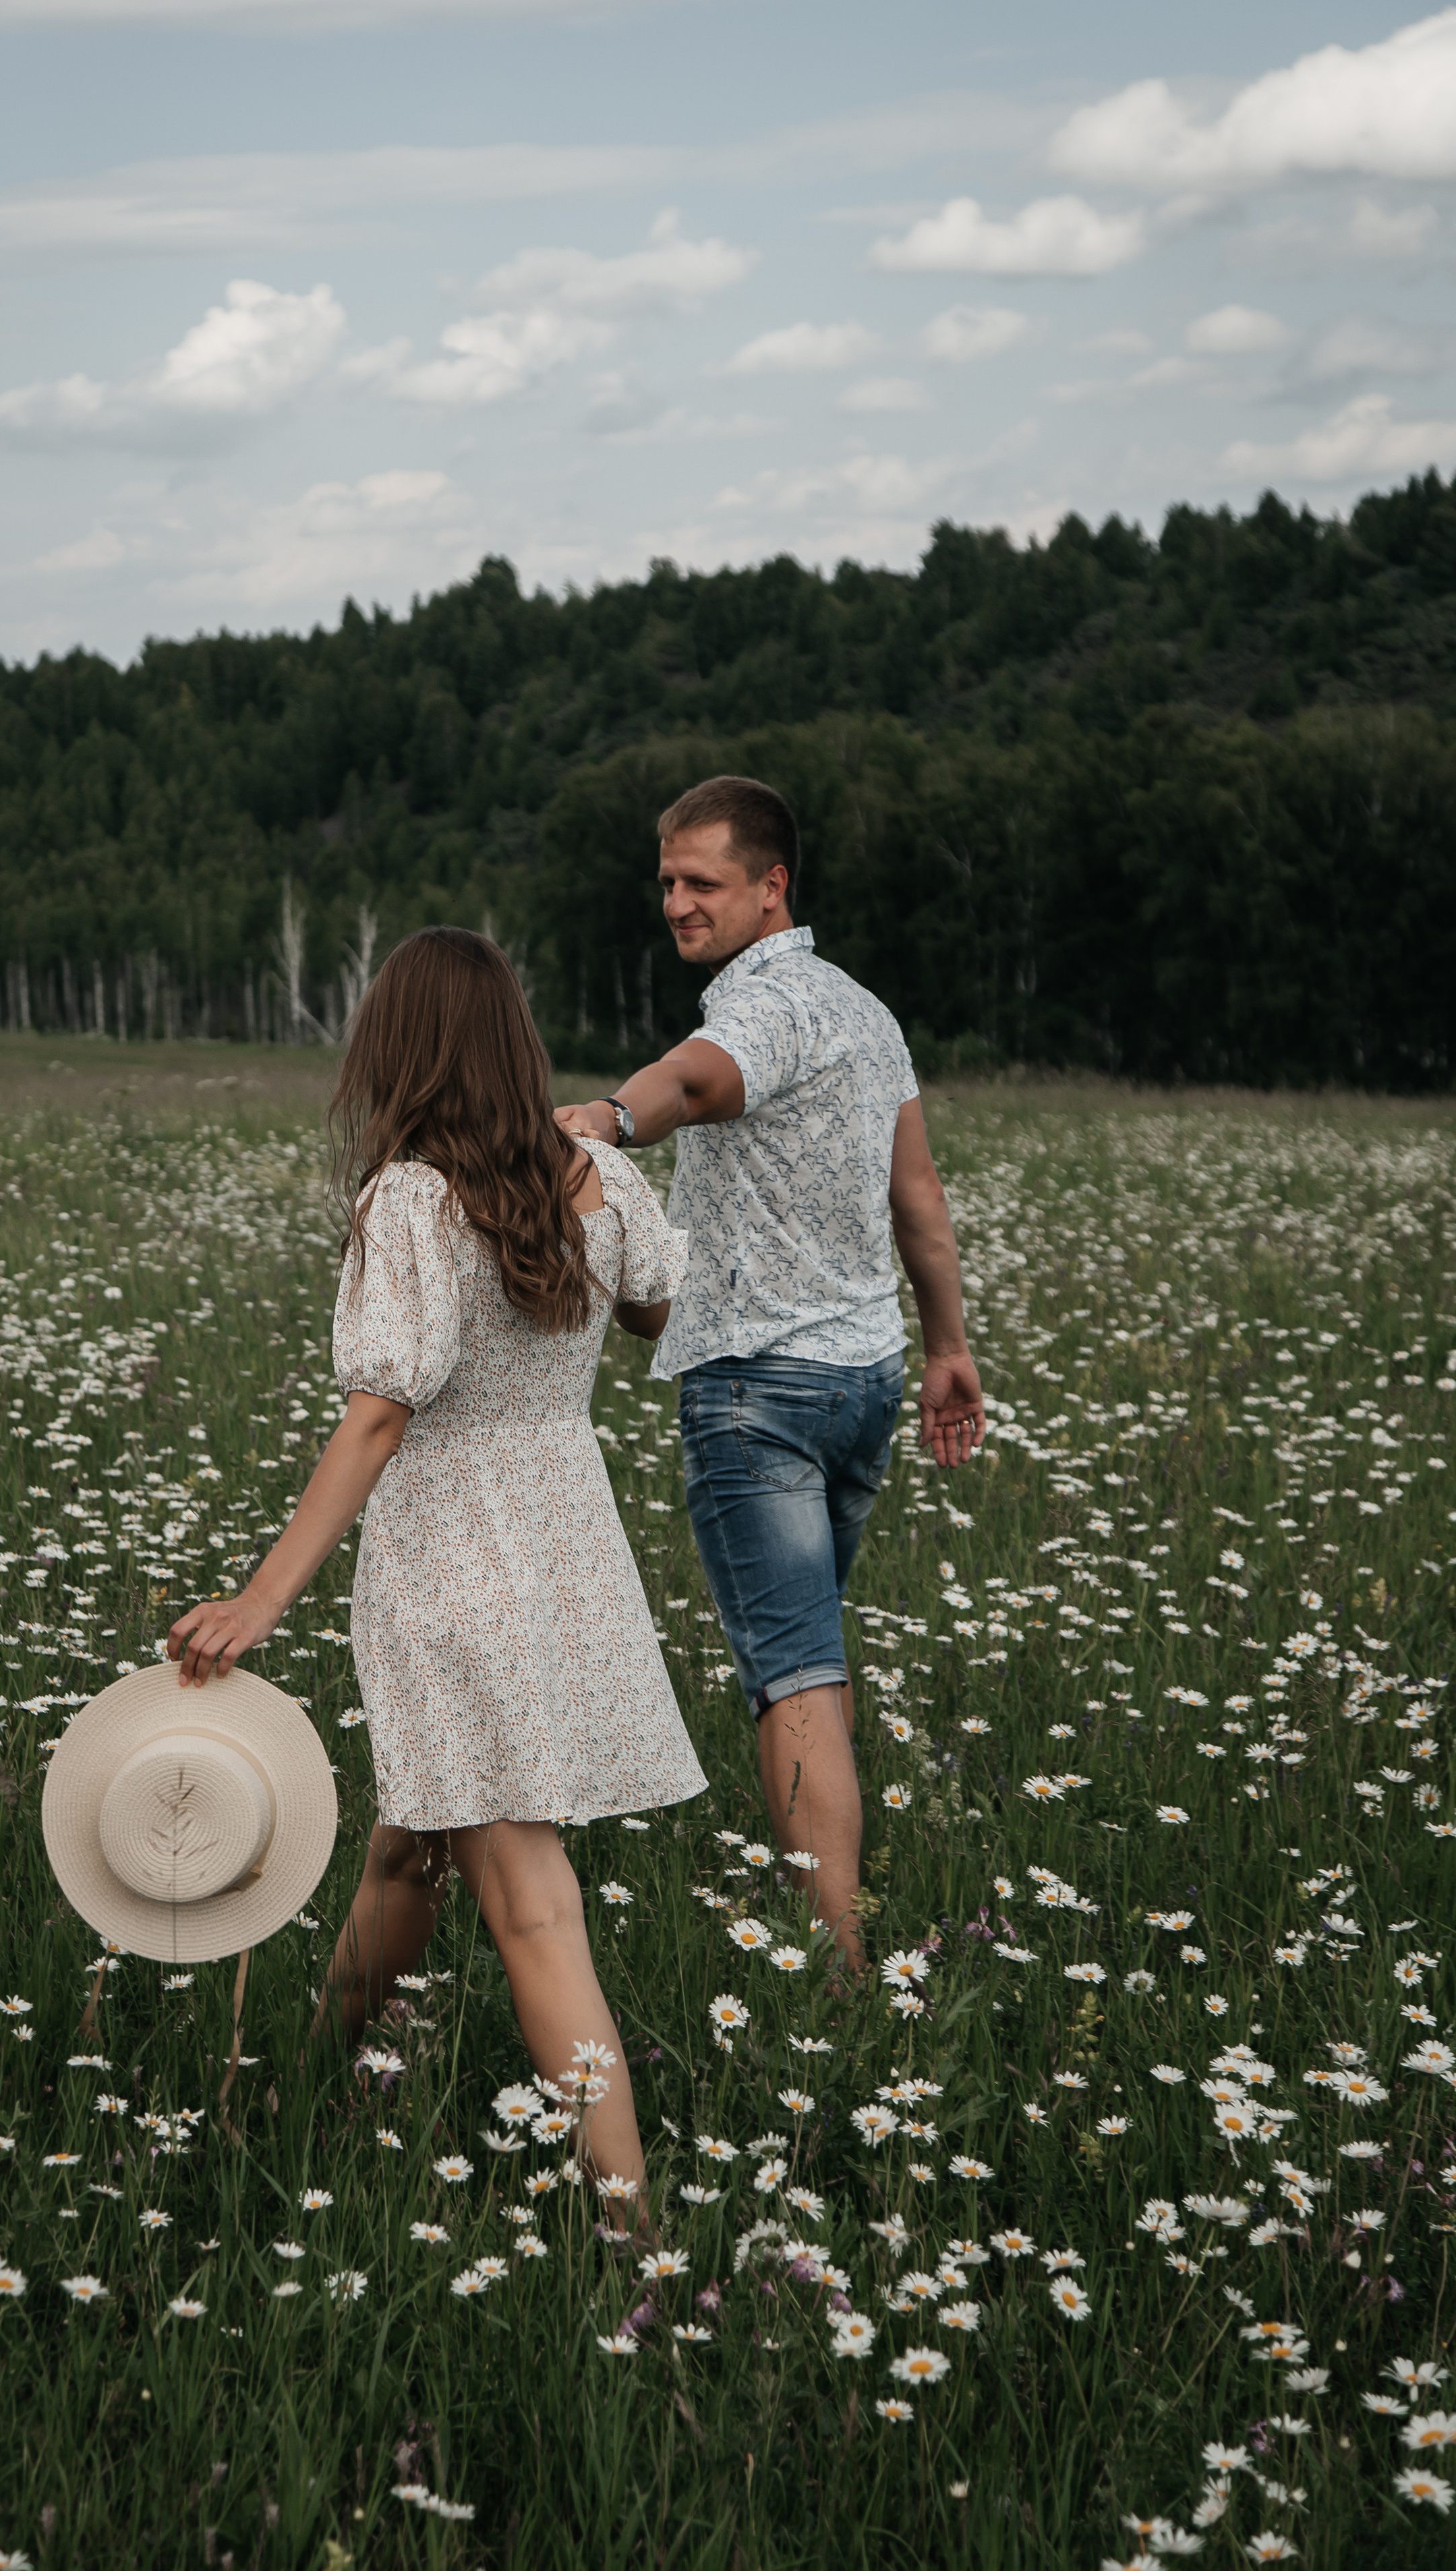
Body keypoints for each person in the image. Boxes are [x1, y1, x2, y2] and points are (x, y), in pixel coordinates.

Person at [168, 926, 705, 2216]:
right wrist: (597, 1246)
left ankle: (636, 2235)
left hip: (453, 1562)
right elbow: (665, 1309)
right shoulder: (592, 1181)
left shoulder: (411, 1199)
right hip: (567, 1554)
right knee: (411, 1846)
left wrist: (262, 1598)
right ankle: (303, 2093)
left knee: (530, 1903)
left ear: (399, 1052)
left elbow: (378, 1415)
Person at [556, 775, 984, 1973]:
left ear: (772, 887)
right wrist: (947, 1345)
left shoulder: (770, 1006)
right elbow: (920, 1202)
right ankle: (835, 1903)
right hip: (865, 1383)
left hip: (761, 1396)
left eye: (703, 883)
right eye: (667, 884)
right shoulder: (868, 1012)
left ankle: (841, 1971)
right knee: (813, 1661)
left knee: (792, 1676)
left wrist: (602, 1117)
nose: (678, 904)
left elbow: (696, 1083)